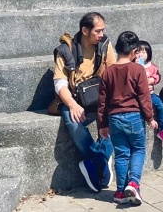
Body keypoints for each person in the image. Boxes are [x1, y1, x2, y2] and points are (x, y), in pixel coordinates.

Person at [50, 12, 117, 192]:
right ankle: (100, 160)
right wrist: (72, 104)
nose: (101, 34)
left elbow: (114, 74)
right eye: (98, 31)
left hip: (100, 95)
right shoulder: (65, 50)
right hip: (76, 98)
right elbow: (60, 84)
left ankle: (92, 162)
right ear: (85, 30)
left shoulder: (105, 45)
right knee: (71, 120)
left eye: (103, 30)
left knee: (117, 114)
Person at [97, 31, 156, 205]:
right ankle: (134, 183)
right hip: (134, 117)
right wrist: (150, 117)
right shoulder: (137, 69)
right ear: (134, 52)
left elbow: (102, 102)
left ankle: (121, 193)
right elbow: (144, 97)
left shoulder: (107, 72)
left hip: (114, 119)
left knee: (121, 155)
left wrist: (102, 125)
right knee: (138, 150)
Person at [136, 40, 163, 143]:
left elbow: (158, 76)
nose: (141, 55)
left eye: (144, 52)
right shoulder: (134, 66)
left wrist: (153, 79)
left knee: (161, 105)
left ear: (148, 53)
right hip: (137, 96)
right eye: (138, 52)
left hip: (150, 94)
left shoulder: (152, 67)